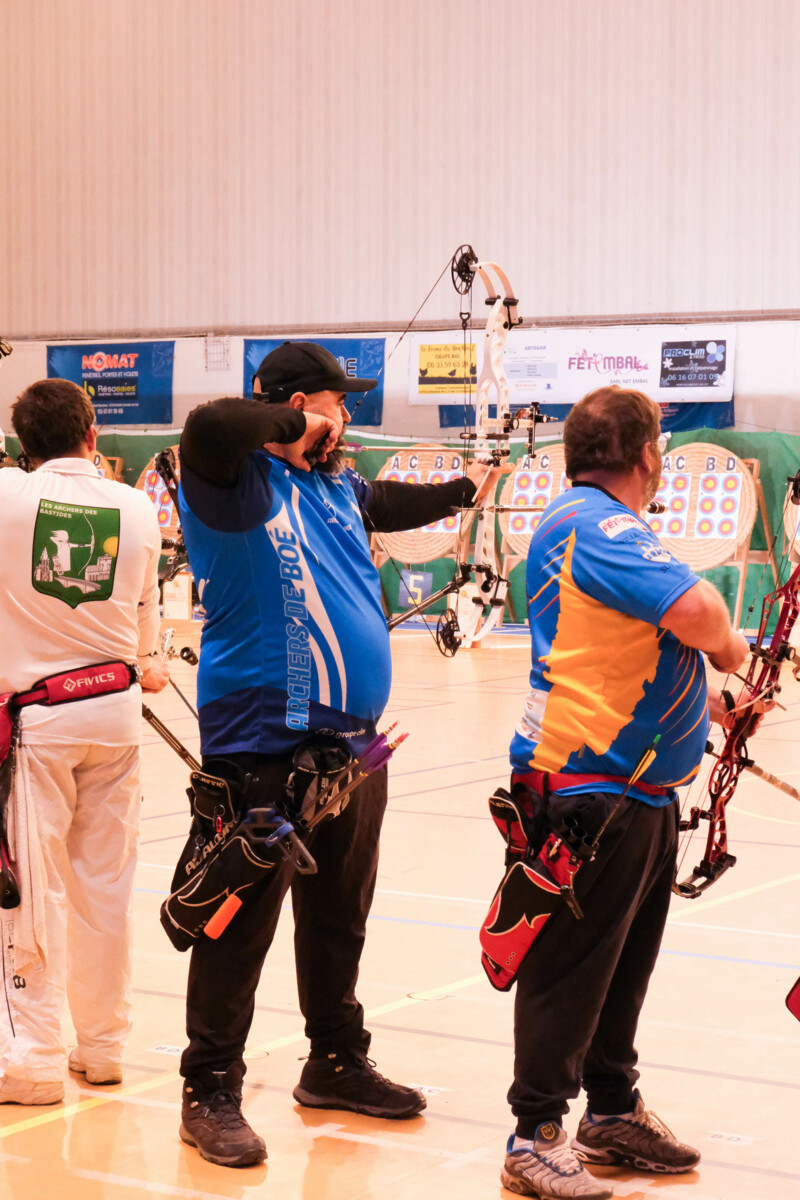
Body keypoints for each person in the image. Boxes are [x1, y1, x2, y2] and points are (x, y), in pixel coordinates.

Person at [174, 340, 502, 1168]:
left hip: (354, 750)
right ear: (294, 406)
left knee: (339, 919)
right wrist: (293, 428)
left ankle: (334, 1061)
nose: (348, 417)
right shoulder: (235, 482)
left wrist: (463, 489)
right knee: (238, 921)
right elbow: (207, 426)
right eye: (337, 403)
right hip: (262, 742)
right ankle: (208, 1087)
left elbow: (388, 499)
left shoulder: (337, 487)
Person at [498, 386, 753, 1199]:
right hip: (589, 792)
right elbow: (699, 610)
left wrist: (710, 703)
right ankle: (535, 1135)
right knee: (571, 968)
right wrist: (731, 653)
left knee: (618, 968)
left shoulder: (600, 525)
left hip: (633, 791)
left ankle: (609, 1109)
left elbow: (625, 650)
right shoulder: (594, 522)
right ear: (647, 456)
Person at [0, 379, 169, 1105]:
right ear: (92, 435)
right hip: (116, 718)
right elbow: (149, 634)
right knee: (105, 890)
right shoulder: (136, 507)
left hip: (41, 727)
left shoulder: (7, 496)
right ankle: (101, 1049)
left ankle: (36, 1063)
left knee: (32, 896)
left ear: (23, 446)